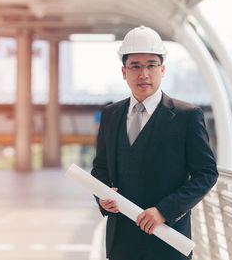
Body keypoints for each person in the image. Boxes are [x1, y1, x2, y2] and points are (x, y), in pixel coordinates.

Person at [91, 25, 218, 260]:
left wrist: (164, 211)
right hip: (121, 241)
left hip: (167, 239)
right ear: (123, 72)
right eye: (135, 67)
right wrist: (102, 196)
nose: (144, 74)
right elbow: (100, 168)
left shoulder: (187, 116)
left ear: (163, 69)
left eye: (151, 65)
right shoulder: (111, 114)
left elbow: (206, 173)